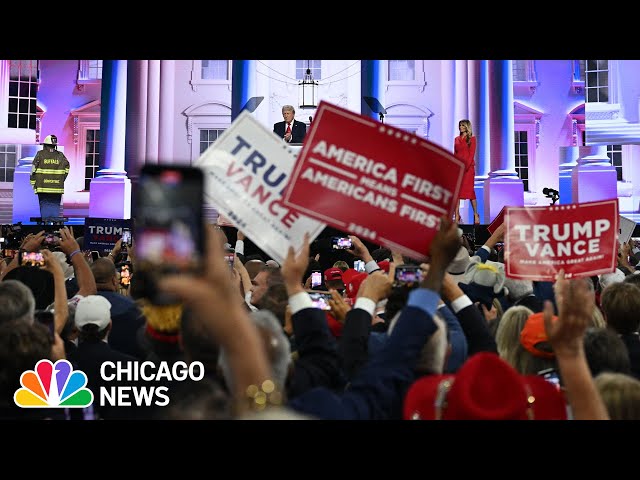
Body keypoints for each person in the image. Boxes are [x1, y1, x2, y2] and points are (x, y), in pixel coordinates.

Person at [30, 134, 70, 222]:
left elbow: (33, 169)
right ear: (55, 145)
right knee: (55, 212)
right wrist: (61, 179)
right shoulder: (61, 155)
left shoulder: (40, 154)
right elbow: (67, 168)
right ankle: (54, 228)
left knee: (44, 212)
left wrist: (33, 183)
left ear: (45, 145)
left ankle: (46, 228)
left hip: (42, 188)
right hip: (57, 189)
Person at [453, 119, 479, 225]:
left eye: (463, 125)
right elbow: (455, 153)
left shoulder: (472, 139)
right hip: (458, 169)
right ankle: (457, 215)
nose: (460, 127)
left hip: (468, 169)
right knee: (457, 193)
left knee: (470, 192)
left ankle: (476, 214)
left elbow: (471, 154)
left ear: (467, 126)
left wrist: (465, 167)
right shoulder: (456, 139)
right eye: (460, 125)